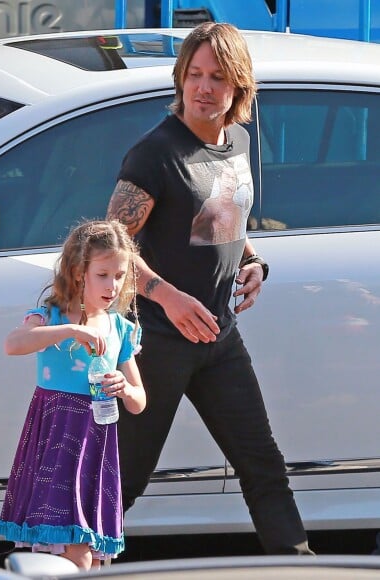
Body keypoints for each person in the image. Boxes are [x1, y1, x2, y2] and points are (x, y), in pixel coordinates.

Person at [106, 22, 313, 555]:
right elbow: (106, 252)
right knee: (122, 482)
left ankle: (299, 566)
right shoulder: (154, 155)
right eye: (194, 75)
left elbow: (224, 220)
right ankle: (76, 563)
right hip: (155, 343)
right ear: (180, 80)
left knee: (263, 466)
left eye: (217, 78)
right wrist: (166, 295)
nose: (203, 88)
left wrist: (255, 261)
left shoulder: (239, 139)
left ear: (238, 86)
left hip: (220, 339)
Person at [0, 219, 147, 570]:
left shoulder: (120, 328)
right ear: (80, 272)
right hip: (57, 439)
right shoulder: (49, 316)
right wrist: (67, 329)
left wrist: (125, 389)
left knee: (91, 558)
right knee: (76, 550)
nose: (113, 285)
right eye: (103, 274)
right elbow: (13, 344)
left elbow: (140, 401)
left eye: (120, 275)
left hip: (95, 442)